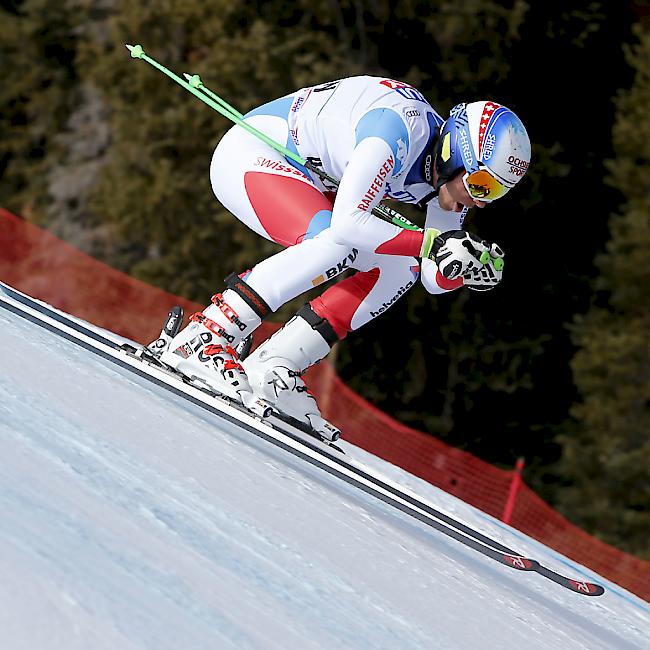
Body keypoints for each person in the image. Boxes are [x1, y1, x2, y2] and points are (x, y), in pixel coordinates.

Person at [149, 76, 531, 440]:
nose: (481, 200)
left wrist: (462, 267)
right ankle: (206, 336)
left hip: (310, 182)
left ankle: (274, 367)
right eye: (482, 185)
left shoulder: (451, 179)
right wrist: (431, 244)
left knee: (401, 266)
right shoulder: (396, 131)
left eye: (497, 192)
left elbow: (431, 275)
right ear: (454, 153)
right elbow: (351, 223)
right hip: (253, 155)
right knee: (336, 241)